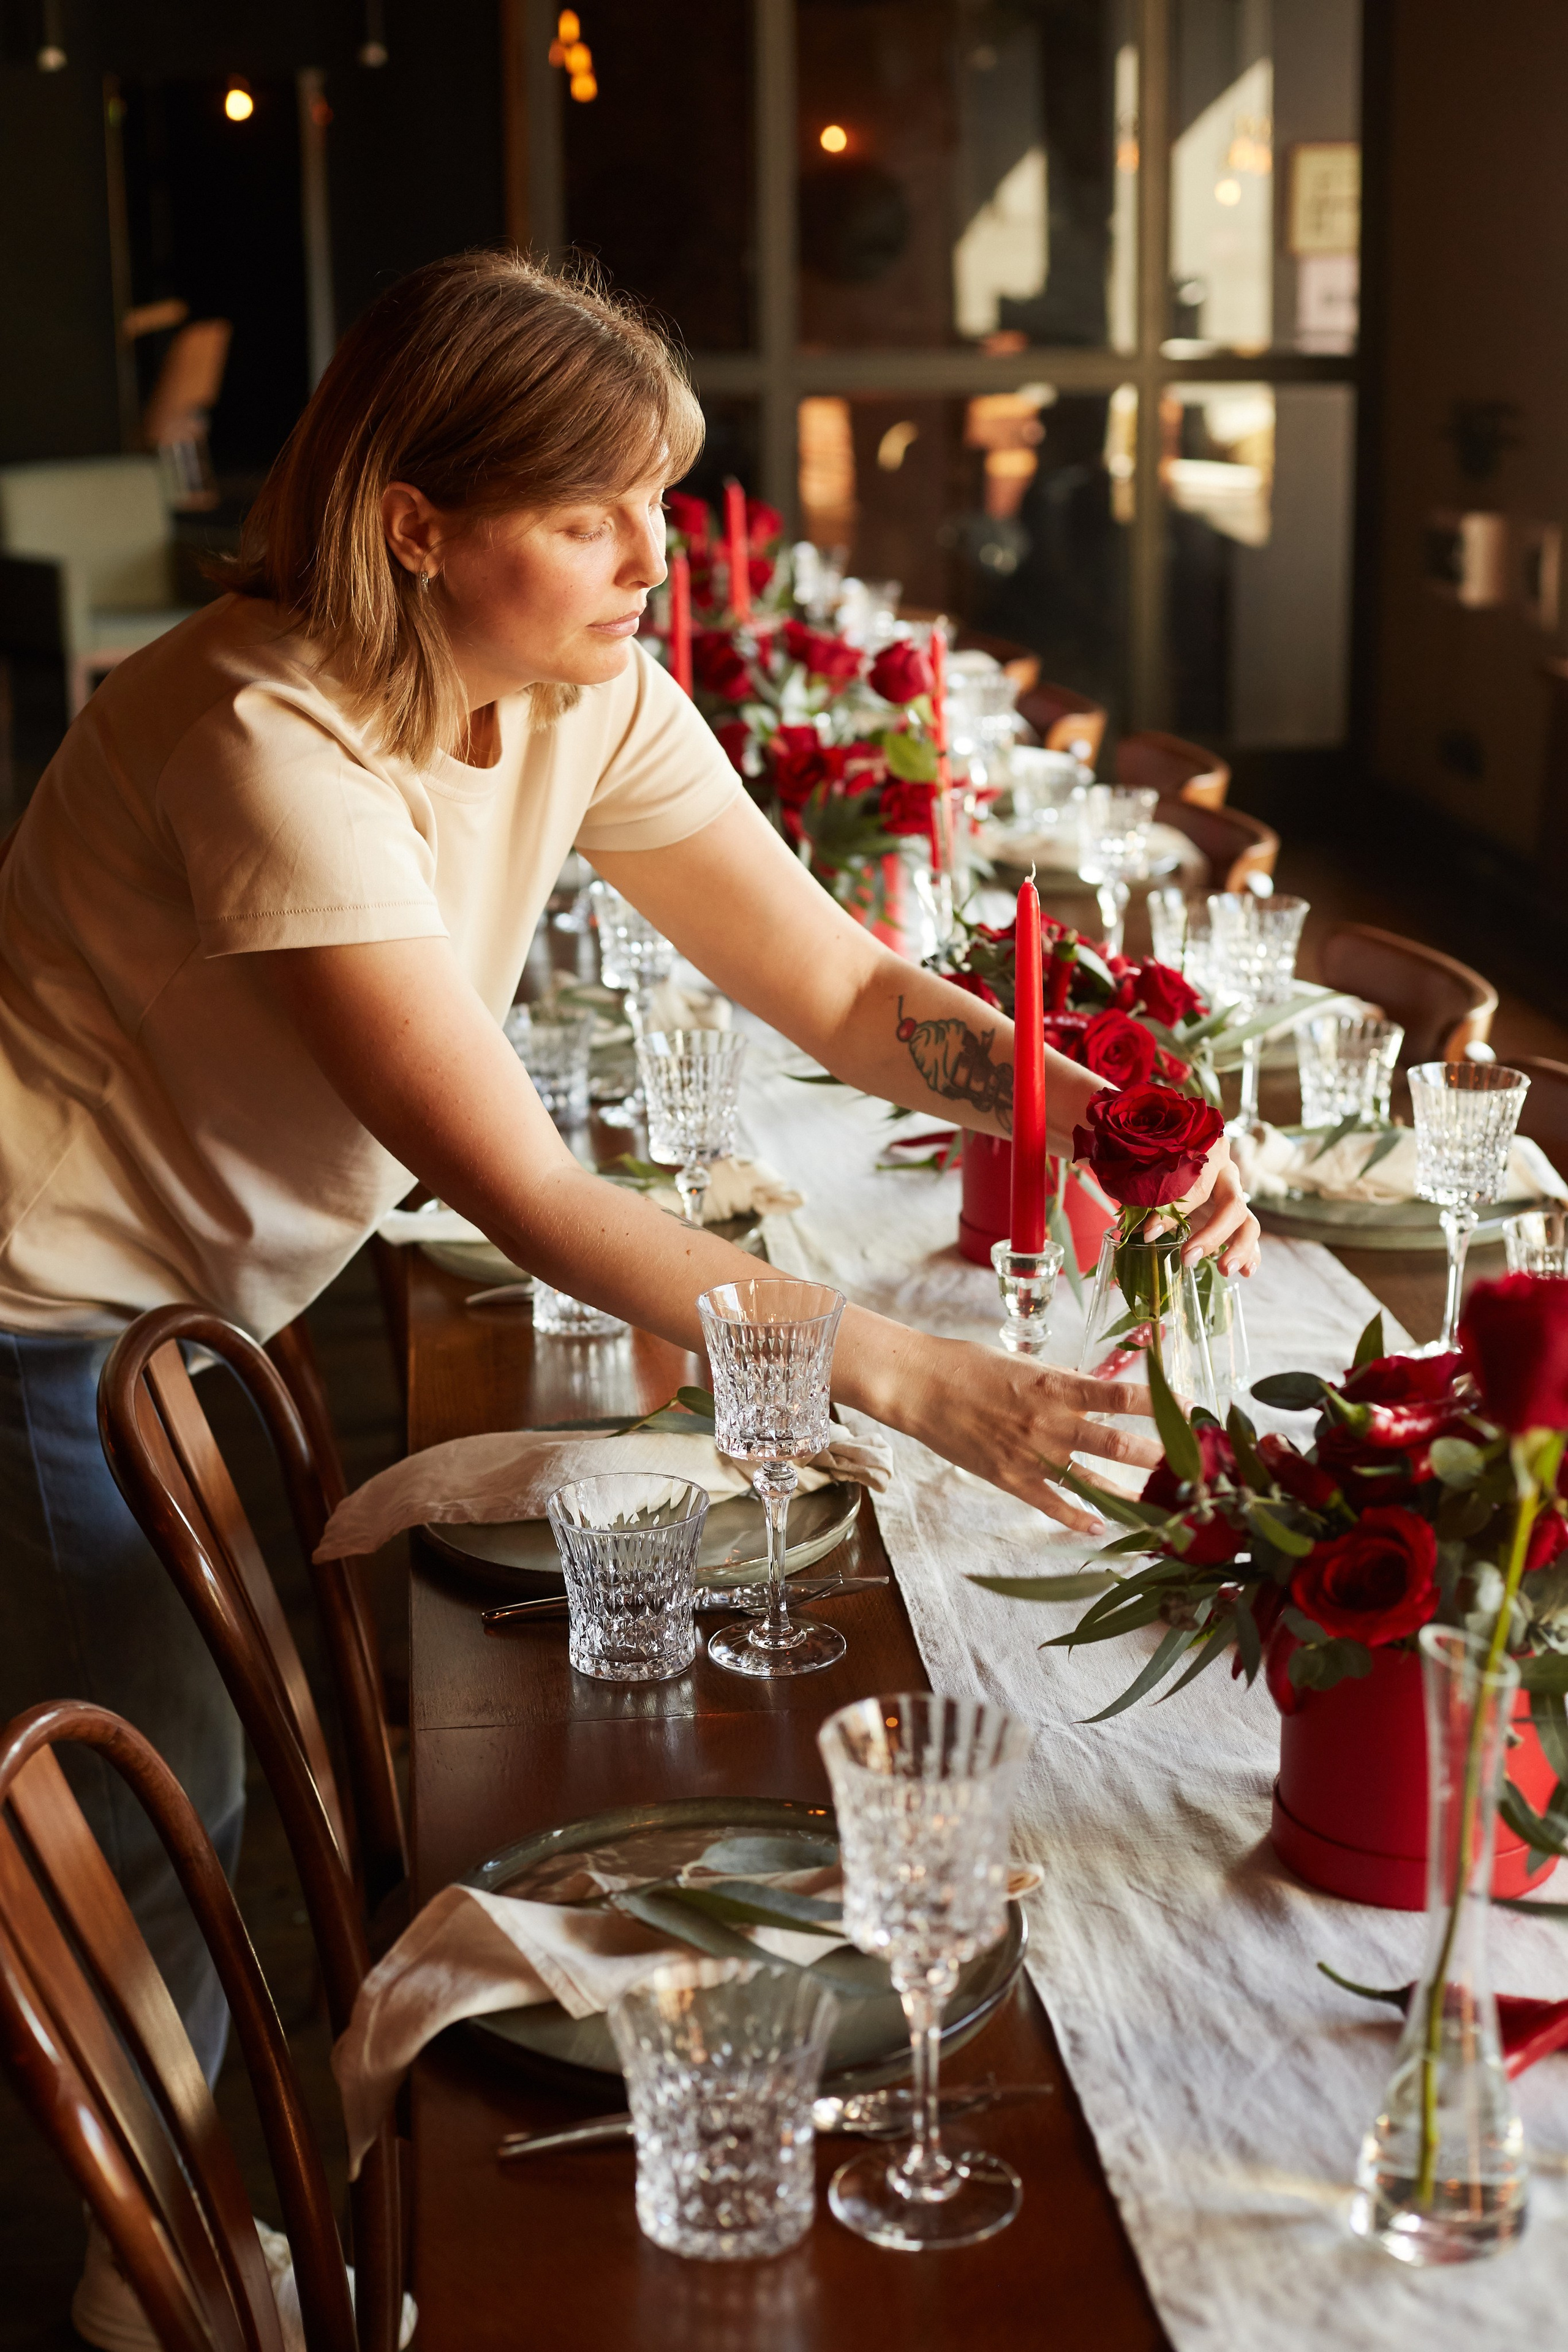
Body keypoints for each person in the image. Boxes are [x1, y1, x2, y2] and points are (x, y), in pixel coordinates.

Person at [0, 251, 1260, 2092]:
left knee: (198, 1764)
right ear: (415, 526)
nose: (649, 560)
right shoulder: (266, 744)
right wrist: (909, 1378)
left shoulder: (581, 685)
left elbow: (830, 979)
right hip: (45, 1299)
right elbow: (530, 1192)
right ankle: (151, 2281)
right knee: (152, 1788)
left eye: (653, 503)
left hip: (194, 1290)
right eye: (587, 517)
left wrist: (1096, 1114)